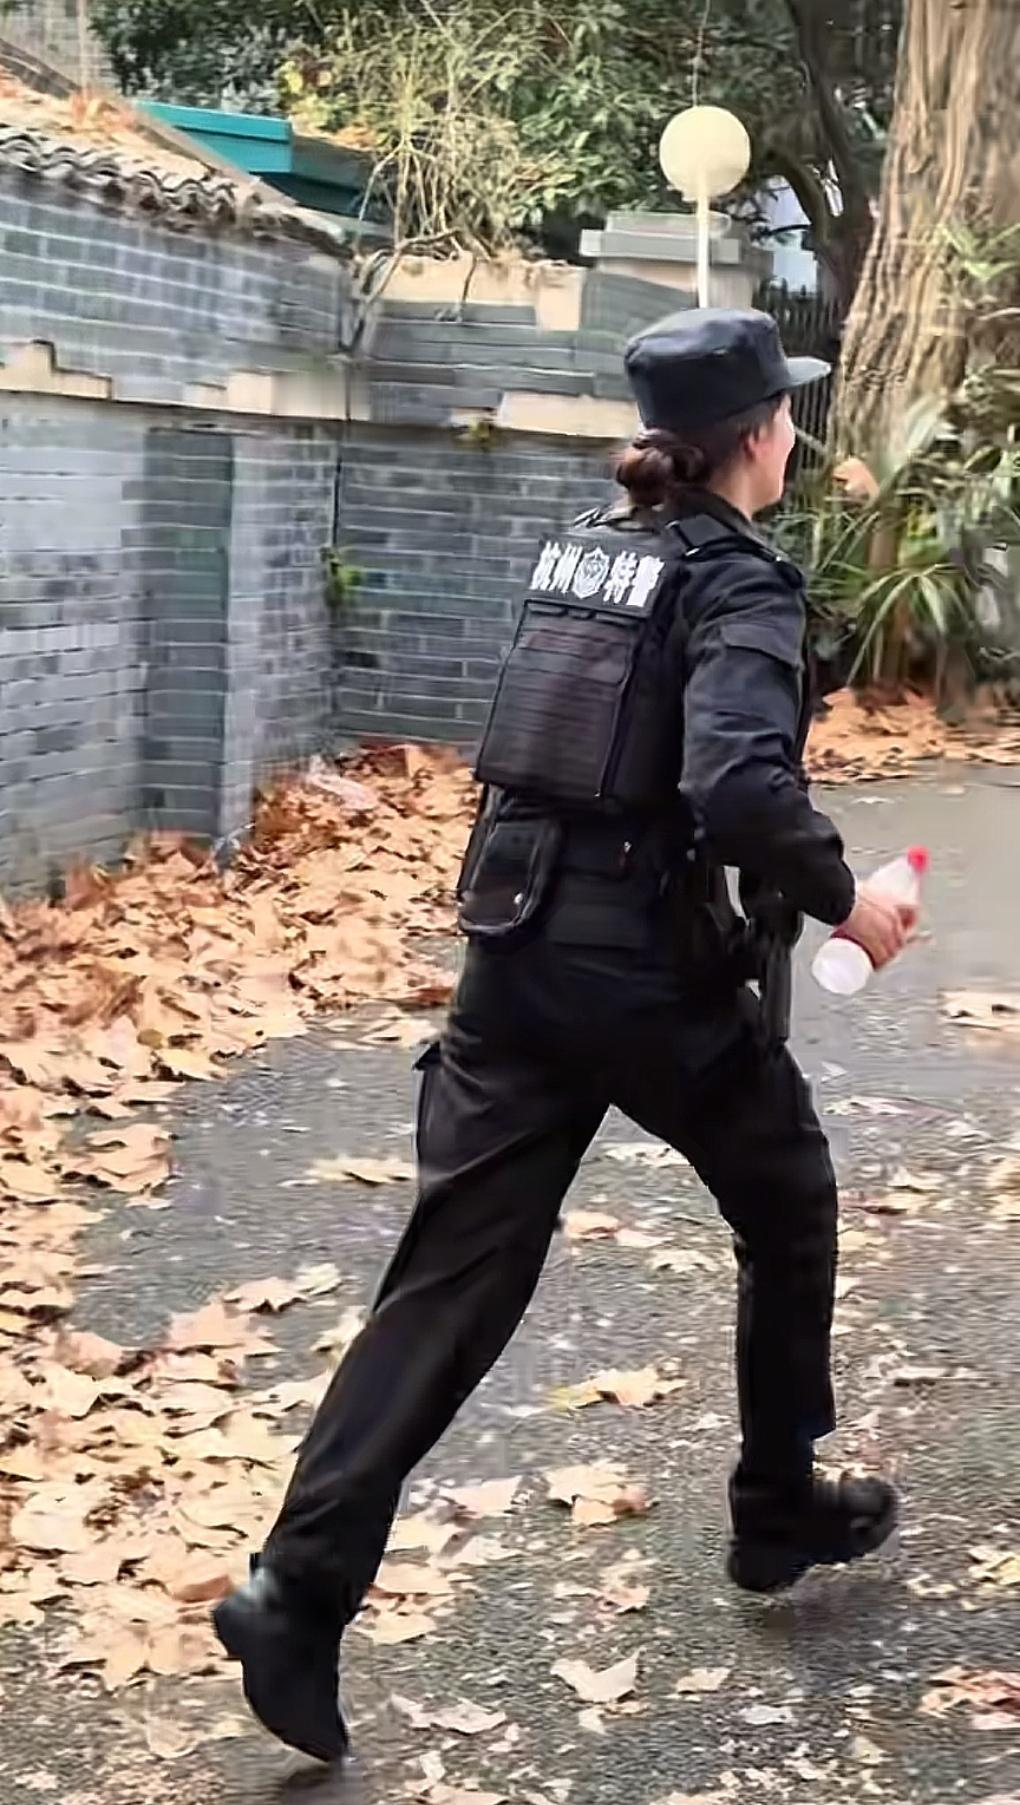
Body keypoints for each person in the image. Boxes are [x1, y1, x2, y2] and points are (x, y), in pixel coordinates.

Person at [213, 309, 914, 1764]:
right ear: (758, 438)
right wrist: (848, 900)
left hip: (509, 944)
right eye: (786, 414)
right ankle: (777, 1503)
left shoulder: (587, 549)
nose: (794, 432)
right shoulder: (735, 577)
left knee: (451, 1281)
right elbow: (734, 784)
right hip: (641, 970)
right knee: (788, 1196)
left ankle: (295, 1590)